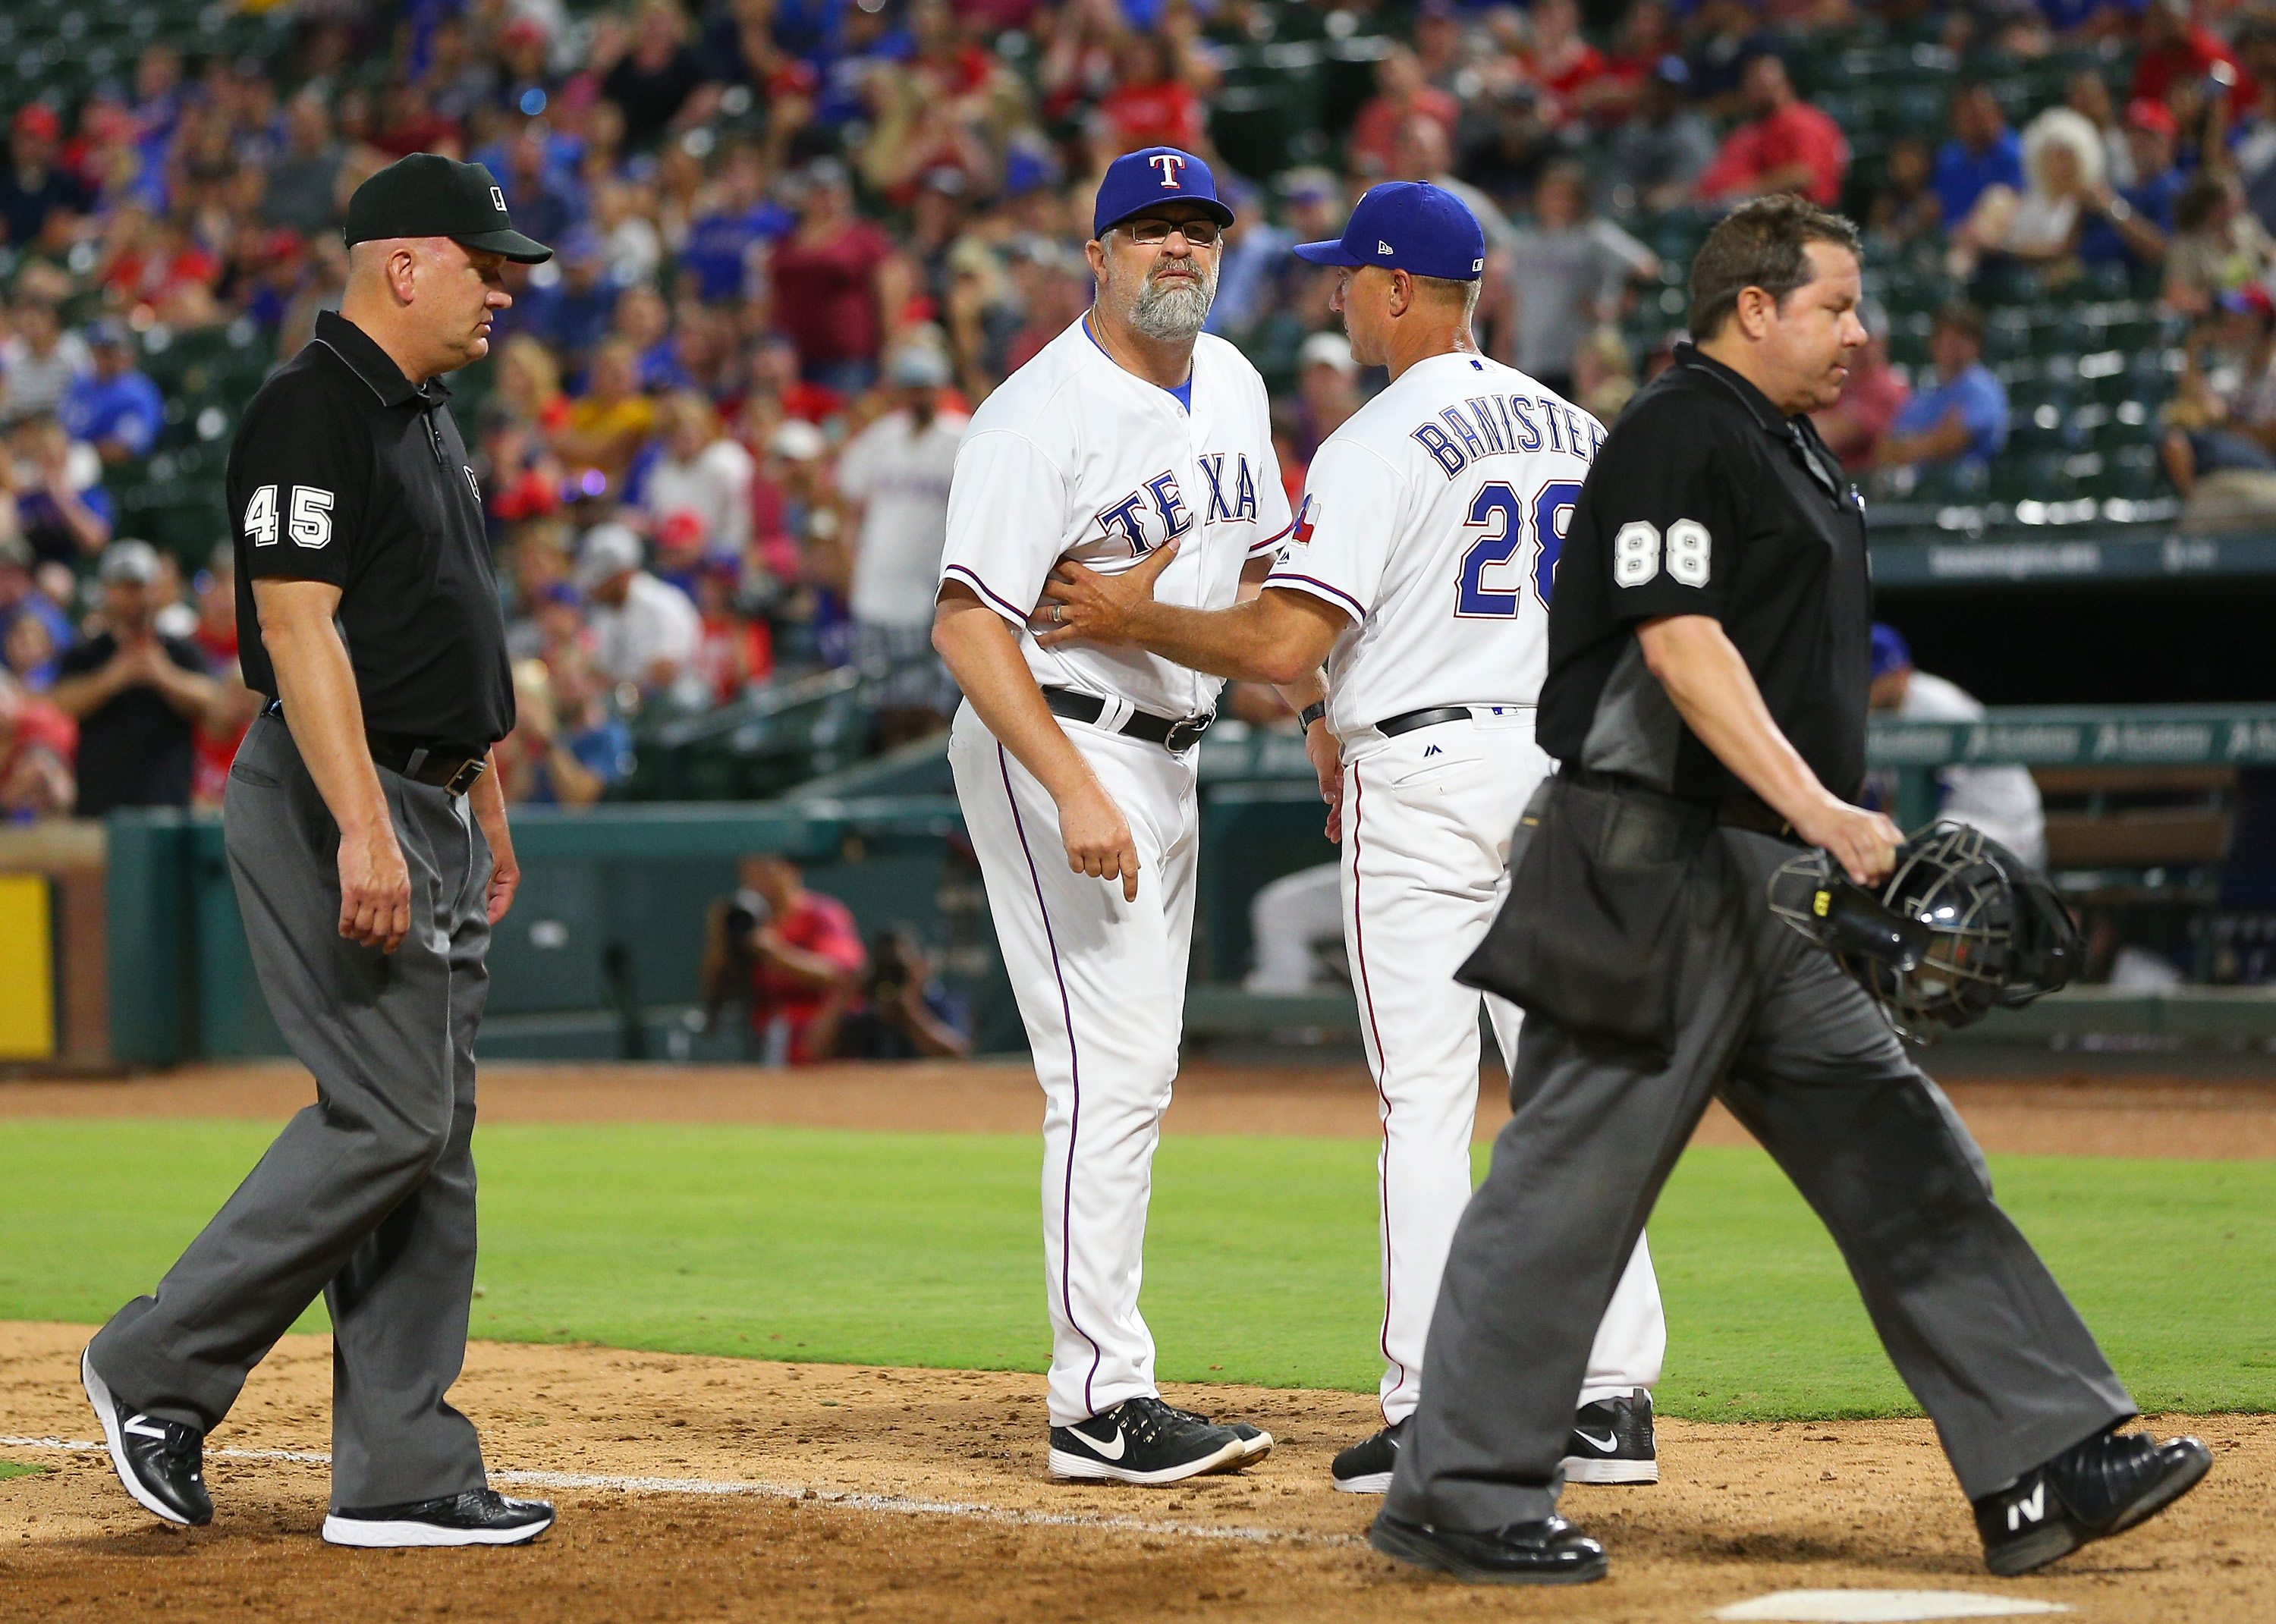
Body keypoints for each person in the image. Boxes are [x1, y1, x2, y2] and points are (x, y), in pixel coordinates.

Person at [1367, 193, 2209, 1586]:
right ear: (1752, 306)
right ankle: (1455, 1490)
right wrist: (1823, 808)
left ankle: (2042, 1456)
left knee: (1903, 1147)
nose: (1860, 333)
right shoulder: (1678, 429)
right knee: (1567, 1187)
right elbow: (1676, 638)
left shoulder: (1793, 451)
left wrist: (1811, 831)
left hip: (1767, 886)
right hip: (1649, 861)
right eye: (1834, 304)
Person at [1036, 179, 1668, 1495]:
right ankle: (1610, 1402)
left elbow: (1280, 641)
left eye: (1347, 277)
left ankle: (1438, 1400)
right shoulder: (1578, 428)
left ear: (1394, 291)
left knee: (1427, 1099)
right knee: (1571, 1084)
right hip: (1564, 767)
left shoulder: (1382, 439)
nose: (1334, 295)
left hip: (1429, 774)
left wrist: (1126, 617)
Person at [80, 155, 558, 1550]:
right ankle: (157, 1366)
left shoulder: (421, 414)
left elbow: (442, 626)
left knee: (434, 1142)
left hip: (431, 795)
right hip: (337, 797)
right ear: (402, 264)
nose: (503, 293)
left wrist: (485, 792)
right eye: (484, 267)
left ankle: (402, 1469)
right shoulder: (310, 409)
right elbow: (299, 630)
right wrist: (365, 821)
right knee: (393, 1119)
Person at [931, 146, 1289, 1487]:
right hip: (1059, 737)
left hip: (1173, 748)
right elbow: (968, 627)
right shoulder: (1040, 413)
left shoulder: (1238, 383)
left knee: (1133, 1067)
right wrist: (1072, 784)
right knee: (1109, 1069)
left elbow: (1260, 575)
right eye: (1148, 231)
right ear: (1097, 255)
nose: (1177, 250)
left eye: (1196, 229)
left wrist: (1306, 713)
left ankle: (1107, 1387)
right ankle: (1097, 1403)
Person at [834, 345, 970, 746]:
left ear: (940, 388)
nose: (917, 396)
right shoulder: (883, 437)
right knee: (885, 706)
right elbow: (845, 497)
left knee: (930, 707)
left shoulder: (961, 435)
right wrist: (847, 563)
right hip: (875, 590)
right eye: (910, 388)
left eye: (924, 387)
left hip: (927, 594)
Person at [49, 540, 224, 817]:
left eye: (140, 586)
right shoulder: (85, 655)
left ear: (155, 589)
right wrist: (110, 680)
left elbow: (214, 703)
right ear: (107, 591)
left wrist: (164, 677)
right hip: (99, 811)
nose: (133, 597)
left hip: (169, 811)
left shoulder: (182, 652)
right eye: (123, 587)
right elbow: (59, 704)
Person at [1867, 624, 2047, 868]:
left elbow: (1931, 797)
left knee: (1917, 838)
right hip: (1957, 823)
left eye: (1873, 680)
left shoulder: (1940, 707)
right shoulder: (1875, 714)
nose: (1866, 689)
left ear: (1902, 673)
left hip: (2006, 826)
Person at [698, 853, 867, 1065]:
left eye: (762, 869)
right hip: (767, 1048)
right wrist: (718, 941)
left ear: (790, 871)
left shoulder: (822, 914)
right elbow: (713, 990)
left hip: (825, 1049)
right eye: (746, 871)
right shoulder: (746, 922)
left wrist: (777, 955)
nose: (753, 880)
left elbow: (844, 974)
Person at [1694, 52, 1848, 210]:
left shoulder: (1802, 121)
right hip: (1720, 210)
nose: (1755, 92)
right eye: (1751, 85)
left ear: (1786, 84)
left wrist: (1736, 195)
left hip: (1789, 220)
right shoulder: (1760, 125)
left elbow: (1803, 176)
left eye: (1763, 85)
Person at [578, 521, 704, 708]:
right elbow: (597, 670)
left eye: (602, 580)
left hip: (676, 706)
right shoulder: (604, 612)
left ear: (622, 575)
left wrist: (614, 686)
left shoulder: (661, 604)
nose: (594, 589)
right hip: (630, 705)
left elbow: (665, 674)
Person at [1875, 304, 2010, 477]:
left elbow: (1948, 444)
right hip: (1919, 491)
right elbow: (1885, 446)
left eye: (1962, 337)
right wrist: (1922, 444)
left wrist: (1908, 448)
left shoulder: (1982, 389)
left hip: (1965, 492)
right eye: (1945, 337)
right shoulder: (1927, 392)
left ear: (1977, 344)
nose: (1952, 346)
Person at [59, 322, 165, 467]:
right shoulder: (80, 385)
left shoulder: (137, 392)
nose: (102, 359)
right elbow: (61, 431)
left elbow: (124, 449)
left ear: (126, 354)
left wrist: (82, 456)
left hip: (121, 475)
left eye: (109, 352)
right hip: (73, 467)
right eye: (98, 352)